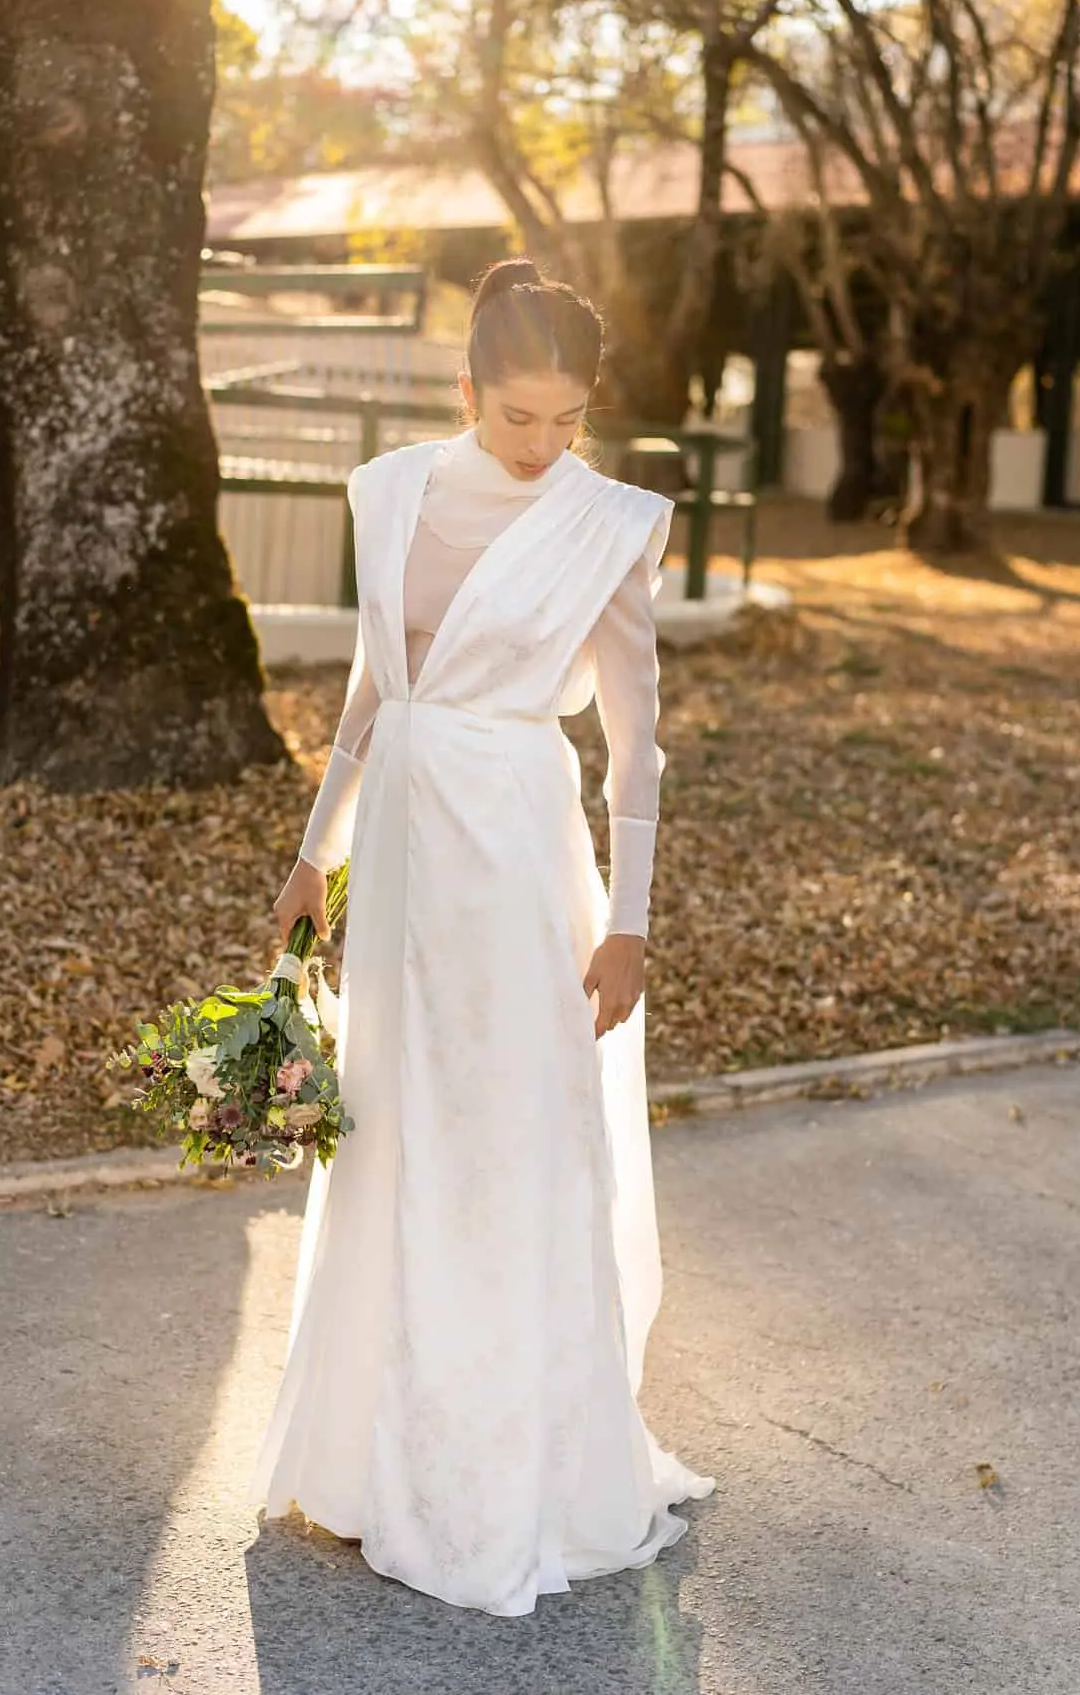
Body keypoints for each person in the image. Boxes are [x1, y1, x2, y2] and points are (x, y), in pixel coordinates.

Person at [248, 258, 715, 1617]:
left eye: (569, 420)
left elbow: (638, 747)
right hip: (399, 842)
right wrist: (308, 857)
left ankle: (513, 1470)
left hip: (518, 847)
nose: (544, 446)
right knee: (395, 1125)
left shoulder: (613, 523)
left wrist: (628, 927)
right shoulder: (392, 489)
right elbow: (368, 693)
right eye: (520, 417)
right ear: (466, 390)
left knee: (511, 1136)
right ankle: (370, 1456)